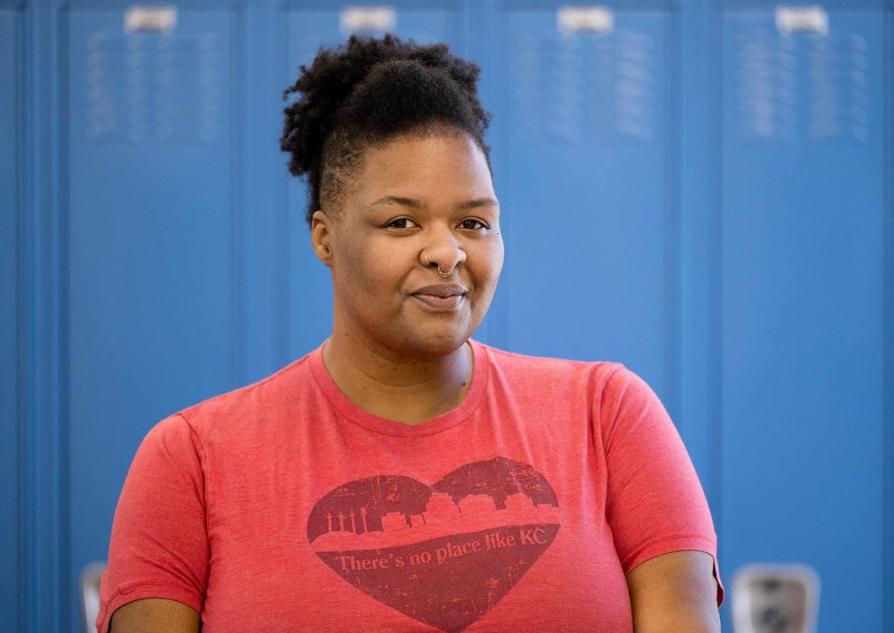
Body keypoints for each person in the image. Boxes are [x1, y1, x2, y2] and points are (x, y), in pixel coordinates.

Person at [97, 33, 723, 633]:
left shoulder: (606, 416)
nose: (445, 252)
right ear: (324, 238)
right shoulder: (192, 459)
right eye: (401, 222)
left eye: (474, 222)